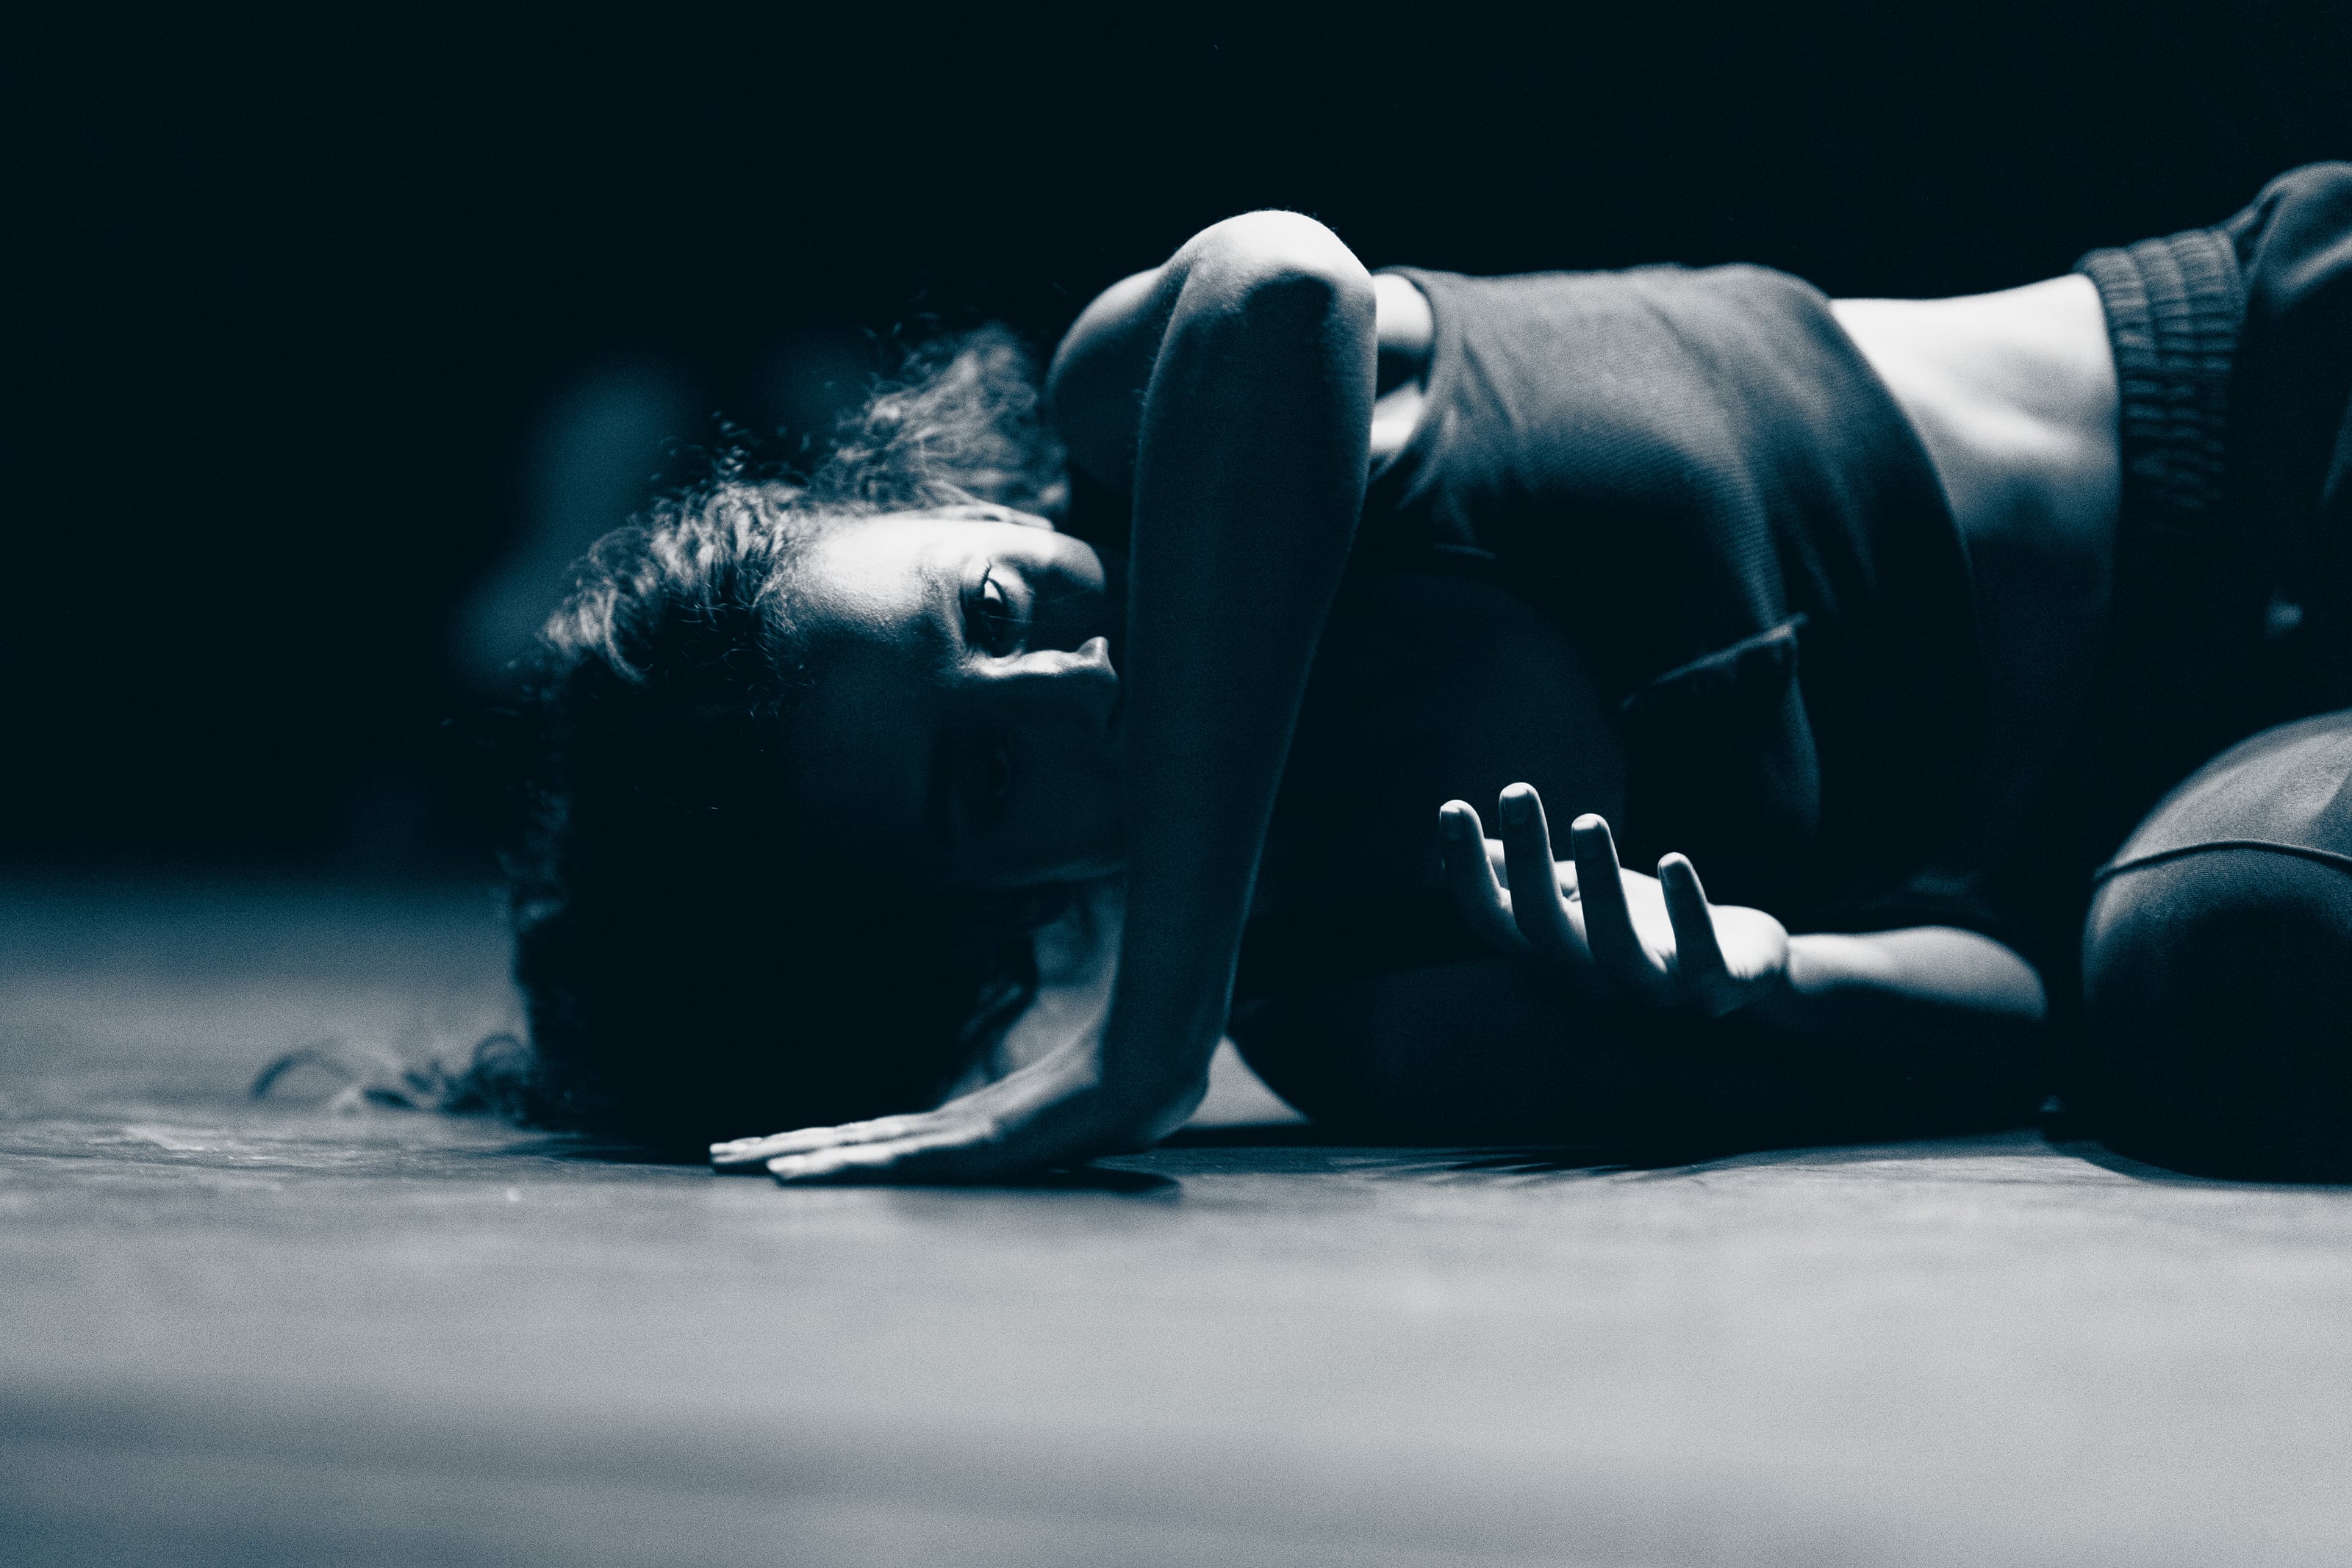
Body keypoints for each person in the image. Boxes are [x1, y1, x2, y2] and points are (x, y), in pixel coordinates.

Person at [499, 165, 2352, 1183]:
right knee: (2209, 961)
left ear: (965, 498)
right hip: (2208, 785)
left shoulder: (1153, 420)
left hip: (2282, 400)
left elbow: (1283, 281)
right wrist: (1758, 981)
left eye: (990, 605)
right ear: (970, 912)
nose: (1064, 679)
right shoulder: (1342, 1000)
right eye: (985, 783)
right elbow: (2015, 1009)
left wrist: (1155, 1030)